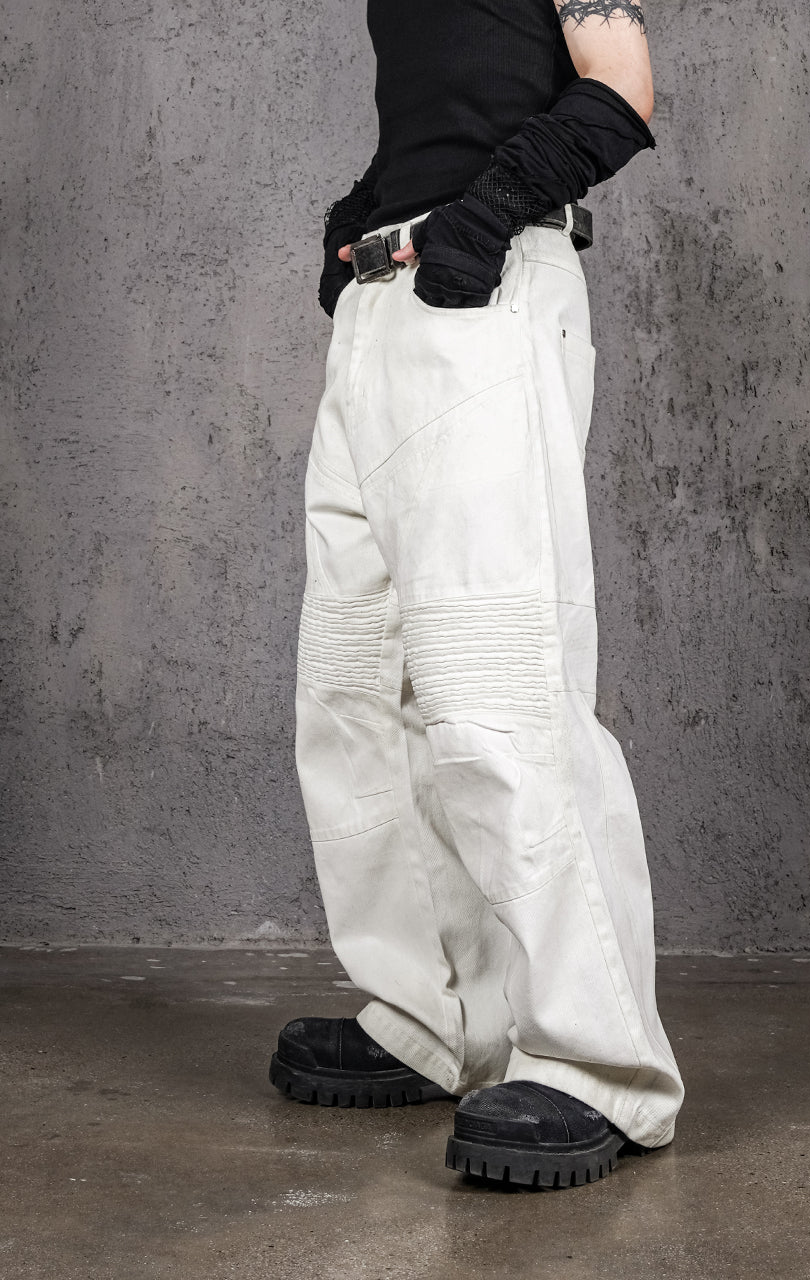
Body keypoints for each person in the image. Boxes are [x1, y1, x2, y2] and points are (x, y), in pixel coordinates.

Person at [270, 0, 685, 1189]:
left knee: (500, 687)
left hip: (485, 285)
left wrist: (485, 216)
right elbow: (453, 103)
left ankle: (600, 1064)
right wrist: (367, 214)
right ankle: (434, 1012)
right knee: (357, 684)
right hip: (387, 298)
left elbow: (621, 82)